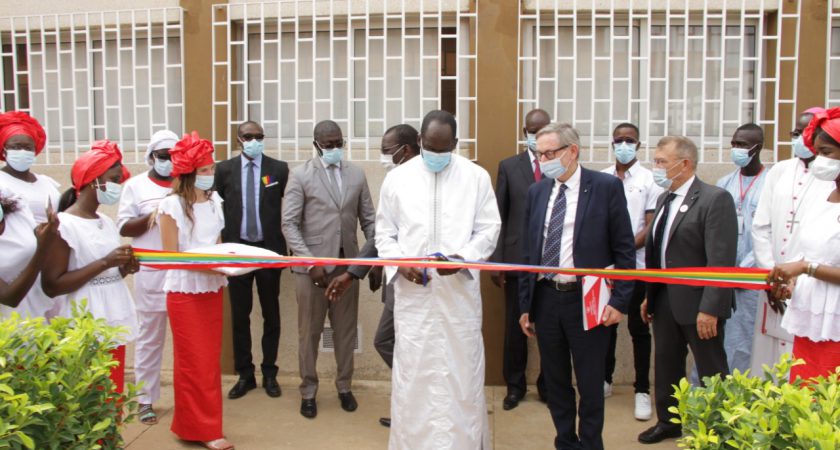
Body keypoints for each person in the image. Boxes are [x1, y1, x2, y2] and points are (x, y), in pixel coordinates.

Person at [376, 110, 500, 449]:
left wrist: (462, 259)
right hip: (414, 300)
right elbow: (384, 233)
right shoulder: (397, 179)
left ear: (456, 145)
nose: (435, 155)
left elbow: (489, 229)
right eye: (429, 147)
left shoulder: (476, 177)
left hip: (458, 298)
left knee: (461, 376)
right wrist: (400, 264)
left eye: (443, 149)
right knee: (414, 376)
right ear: (419, 141)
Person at [518, 123, 636, 450]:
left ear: (573, 151)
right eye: (538, 154)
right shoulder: (537, 192)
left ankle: (590, 444)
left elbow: (625, 249)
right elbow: (529, 251)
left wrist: (621, 301)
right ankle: (565, 441)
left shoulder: (605, 187)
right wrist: (526, 306)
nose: (543, 160)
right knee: (555, 382)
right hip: (546, 298)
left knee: (589, 382)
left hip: (588, 300)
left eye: (549, 153)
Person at [637, 136, 738, 444]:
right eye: (655, 161)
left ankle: (720, 426)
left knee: (711, 369)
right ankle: (669, 421)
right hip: (666, 298)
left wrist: (710, 308)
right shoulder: (666, 199)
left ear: (685, 164)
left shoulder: (714, 199)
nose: (656, 167)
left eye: (661, 162)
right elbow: (659, 253)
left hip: (699, 303)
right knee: (666, 364)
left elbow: (721, 260)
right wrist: (649, 295)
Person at [325, 123, 420, 428]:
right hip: (397, 279)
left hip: (416, 282)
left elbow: (383, 234)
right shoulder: (397, 178)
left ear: (404, 150)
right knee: (393, 342)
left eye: (385, 149)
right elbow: (385, 234)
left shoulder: (414, 181)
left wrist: (352, 273)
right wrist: (366, 268)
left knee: (390, 341)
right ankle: (412, 404)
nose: (381, 155)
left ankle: (416, 404)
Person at [281, 120, 376, 419]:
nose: (335, 148)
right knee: (308, 333)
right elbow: (289, 224)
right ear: (316, 145)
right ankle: (308, 391)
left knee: (345, 332)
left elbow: (370, 221)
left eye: (339, 143)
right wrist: (310, 263)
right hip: (312, 273)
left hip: (348, 268)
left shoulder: (357, 174)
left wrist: (369, 259)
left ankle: (344, 387)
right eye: (329, 144)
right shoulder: (299, 176)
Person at [41, 140, 138, 394]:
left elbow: (104, 275)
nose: (118, 186)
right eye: (114, 179)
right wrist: (106, 262)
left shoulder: (105, 221)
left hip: (112, 317)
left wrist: (123, 268)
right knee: (87, 398)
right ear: (93, 180)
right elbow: (52, 285)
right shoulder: (64, 225)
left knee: (111, 395)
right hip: (81, 323)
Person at [157, 132, 232, 450]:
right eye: (204, 169)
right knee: (193, 361)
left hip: (212, 289)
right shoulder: (171, 206)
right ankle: (202, 429)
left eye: (211, 168)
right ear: (188, 172)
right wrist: (214, 266)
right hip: (185, 292)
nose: (210, 174)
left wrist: (229, 262)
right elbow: (172, 257)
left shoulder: (214, 201)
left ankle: (201, 426)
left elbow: (217, 245)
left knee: (208, 361)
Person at [751, 107, 834, 375]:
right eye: (818, 151)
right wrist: (783, 276)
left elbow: (816, 257)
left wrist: (802, 268)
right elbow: (763, 226)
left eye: (826, 153)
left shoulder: (826, 187)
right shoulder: (823, 194)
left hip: (832, 313)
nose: (819, 159)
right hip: (804, 304)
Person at [215, 121, 289, 400]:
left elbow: (289, 207)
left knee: (272, 315)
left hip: (268, 251)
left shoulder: (278, 169)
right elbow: (217, 205)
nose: (254, 141)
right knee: (240, 315)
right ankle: (245, 374)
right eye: (248, 137)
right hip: (237, 251)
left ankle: (270, 372)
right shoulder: (224, 170)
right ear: (238, 139)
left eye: (259, 137)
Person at [490, 108, 550, 411]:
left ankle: (547, 385)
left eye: (540, 131)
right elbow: (498, 216)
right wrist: (497, 261)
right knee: (515, 329)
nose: (534, 136)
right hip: (515, 261)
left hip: (551, 262)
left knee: (550, 328)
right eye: (530, 131)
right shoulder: (509, 166)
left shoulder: (558, 166)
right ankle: (515, 387)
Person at [600, 122, 660, 421]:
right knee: (606, 325)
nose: (624, 145)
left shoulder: (649, 180)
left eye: (630, 140)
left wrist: (620, 251)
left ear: (639, 144)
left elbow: (649, 227)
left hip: (636, 267)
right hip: (606, 268)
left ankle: (641, 391)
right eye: (619, 140)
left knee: (638, 328)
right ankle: (605, 380)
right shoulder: (601, 177)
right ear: (612, 143)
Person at [116, 129, 177, 425]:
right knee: (150, 339)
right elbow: (125, 227)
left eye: (173, 156)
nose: (168, 162)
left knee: (186, 341)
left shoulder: (185, 184)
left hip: (182, 274)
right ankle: (145, 399)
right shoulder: (135, 186)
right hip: (150, 273)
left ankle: (188, 401)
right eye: (163, 157)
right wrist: (154, 214)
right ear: (151, 157)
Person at [714, 124, 768, 376]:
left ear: (757, 148)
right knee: (714, 337)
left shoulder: (770, 185)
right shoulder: (724, 183)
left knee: (742, 340)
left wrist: (742, 270)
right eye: (734, 144)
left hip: (750, 278)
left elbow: (767, 233)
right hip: (722, 276)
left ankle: (736, 396)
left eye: (743, 145)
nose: (737, 149)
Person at [0, 190, 57, 317]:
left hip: (39, 311)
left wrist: (45, 231)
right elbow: (9, 298)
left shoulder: (17, 206)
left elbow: (33, 239)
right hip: (7, 326)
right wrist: (43, 247)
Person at [0, 111, 61, 223]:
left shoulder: (47, 182)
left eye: (28, 148)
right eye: (16, 147)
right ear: (4, 151)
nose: (22, 152)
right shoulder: (2, 182)